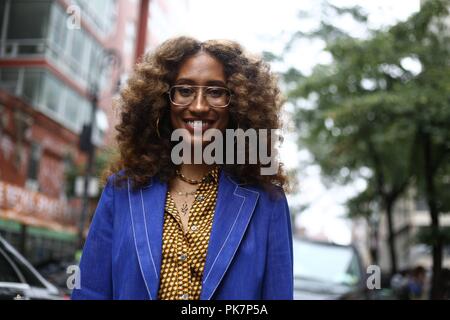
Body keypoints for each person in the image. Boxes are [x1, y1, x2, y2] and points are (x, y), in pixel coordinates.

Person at [71, 36, 293, 300]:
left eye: (215, 91)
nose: (198, 106)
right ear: (162, 100)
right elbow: (90, 293)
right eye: (185, 90)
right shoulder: (122, 191)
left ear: (239, 103)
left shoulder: (267, 203)